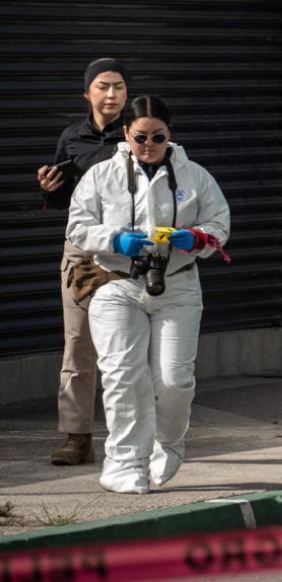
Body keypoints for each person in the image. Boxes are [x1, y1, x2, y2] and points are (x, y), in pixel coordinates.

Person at [66, 95, 231, 493]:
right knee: (124, 376)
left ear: (170, 135)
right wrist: (115, 239)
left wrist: (195, 238)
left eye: (158, 137)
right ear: (126, 134)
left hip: (177, 284)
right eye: (141, 137)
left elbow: (219, 224)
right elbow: (78, 226)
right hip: (116, 283)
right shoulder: (101, 175)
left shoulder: (195, 176)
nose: (149, 145)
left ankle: (168, 443)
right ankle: (125, 464)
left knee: (174, 380)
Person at [35, 58, 130, 466]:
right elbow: (61, 200)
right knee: (79, 345)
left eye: (119, 87)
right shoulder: (72, 138)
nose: (111, 95)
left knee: (128, 347)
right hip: (83, 252)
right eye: (103, 87)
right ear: (87, 93)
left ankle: (132, 437)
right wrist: (48, 188)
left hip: (129, 252)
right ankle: (77, 436)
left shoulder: (137, 135)